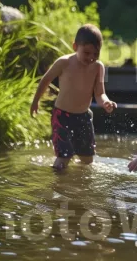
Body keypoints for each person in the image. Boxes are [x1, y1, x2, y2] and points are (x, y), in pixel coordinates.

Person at [30, 23, 117, 171]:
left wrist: (106, 102)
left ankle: (78, 187)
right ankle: (58, 185)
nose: (91, 58)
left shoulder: (98, 67)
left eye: (95, 54)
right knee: (63, 158)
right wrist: (35, 101)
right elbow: (45, 80)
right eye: (87, 53)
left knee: (87, 160)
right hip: (62, 116)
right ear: (75, 46)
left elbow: (99, 93)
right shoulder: (64, 63)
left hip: (83, 117)